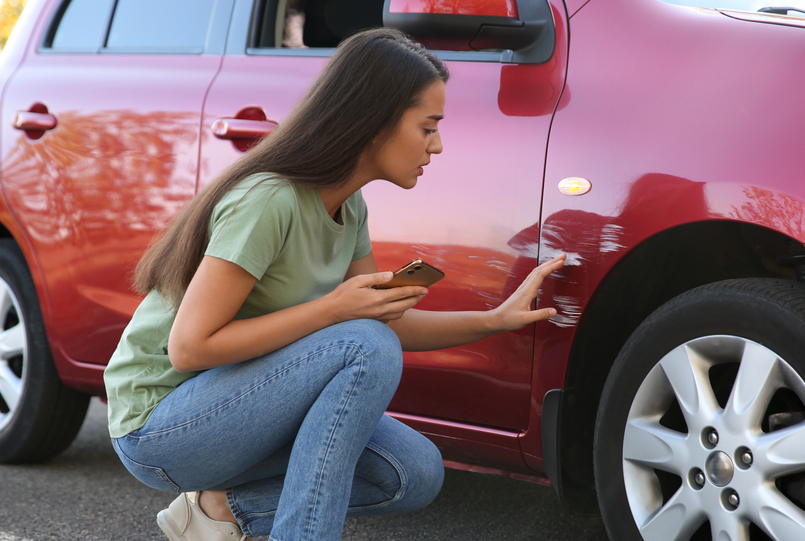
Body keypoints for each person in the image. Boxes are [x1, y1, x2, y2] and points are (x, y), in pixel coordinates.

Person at [104, 27, 567, 541]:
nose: (437, 145)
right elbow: (189, 348)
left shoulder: (350, 206)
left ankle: (221, 510)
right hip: (160, 427)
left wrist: (495, 319)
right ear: (375, 124)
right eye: (428, 126)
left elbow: (379, 320)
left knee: (412, 472)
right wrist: (334, 310)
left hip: (234, 413)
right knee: (365, 343)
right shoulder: (269, 201)